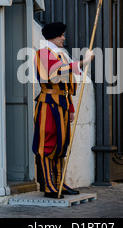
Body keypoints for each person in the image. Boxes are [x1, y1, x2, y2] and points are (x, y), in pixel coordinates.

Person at [33, 22, 94, 198]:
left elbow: (67, 85)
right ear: (54, 36)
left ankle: (60, 183)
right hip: (49, 104)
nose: (64, 38)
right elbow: (55, 73)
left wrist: (71, 107)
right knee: (47, 144)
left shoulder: (61, 54)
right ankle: (49, 186)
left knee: (61, 144)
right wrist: (82, 62)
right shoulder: (43, 53)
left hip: (62, 103)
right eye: (61, 35)